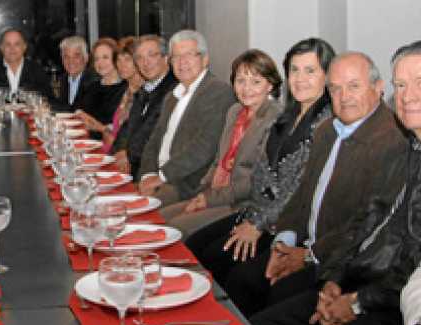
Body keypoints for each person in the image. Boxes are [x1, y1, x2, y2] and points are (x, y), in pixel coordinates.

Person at [249, 52, 410, 325]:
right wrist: (287, 245)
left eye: (353, 86)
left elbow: (373, 234)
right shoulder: (326, 131)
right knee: (255, 319)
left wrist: (341, 288)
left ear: (379, 88)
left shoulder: (393, 142)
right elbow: (304, 198)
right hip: (342, 270)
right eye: (335, 89)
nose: (343, 96)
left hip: (377, 291)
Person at [187, 38, 334, 289]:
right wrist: (252, 216)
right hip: (257, 211)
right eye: (295, 70)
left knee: (227, 268)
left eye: (310, 71)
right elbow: (260, 172)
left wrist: (257, 224)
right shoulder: (287, 117)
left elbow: (298, 189)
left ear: (327, 76)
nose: (300, 79)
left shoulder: (325, 124)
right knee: (196, 245)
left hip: (285, 223)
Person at [156, 49, 282, 236]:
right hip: (216, 191)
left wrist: (209, 199)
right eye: (240, 81)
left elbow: (255, 180)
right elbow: (218, 160)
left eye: (256, 82)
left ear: (270, 85)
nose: (246, 89)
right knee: (159, 217)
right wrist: (202, 193)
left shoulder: (275, 118)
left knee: (176, 227)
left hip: (242, 203)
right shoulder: (234, 111)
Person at [138, 30, 237, 205]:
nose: (182, 62)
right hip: (161, 177)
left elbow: (205, 146)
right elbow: (154, 141)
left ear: (205, 59)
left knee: (139, 210)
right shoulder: (171, 97)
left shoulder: (218, 92)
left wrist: (162, 176)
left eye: (189, 55)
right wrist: (147, 174)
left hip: (187, 183)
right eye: (176, 56)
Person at [112, 34, 177, 177]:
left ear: (166, 58)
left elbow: (154, 131)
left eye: (151, 55)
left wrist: (128, 155)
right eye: (139, 58)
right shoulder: (144, 89)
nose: (145, 63)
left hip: (153, 170)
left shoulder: (174, 90)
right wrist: (119, 150)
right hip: (131, 164)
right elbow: (127, 127)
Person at [77, 36, 141, 154]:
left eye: (127, 59)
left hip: (114, 151)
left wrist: (99, 127)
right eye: (119, 60)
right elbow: (116, 127)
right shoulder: (127, 91)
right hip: (101, 146)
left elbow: (128, 135)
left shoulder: (134, 91)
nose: (122, 64)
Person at [0, 28, 54, 100]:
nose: (12, 49)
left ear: (24, 47)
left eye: (17, 44)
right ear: (1, 47)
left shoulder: (36, 69)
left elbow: (49, 98)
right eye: (8, 44)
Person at [77, 38, 128, 131]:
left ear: (116, 59)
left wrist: (95, 125)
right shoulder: (91, 87)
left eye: (105, 57)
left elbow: (120, 128)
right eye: (96, 59)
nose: (100, 63)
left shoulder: (126, 89)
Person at [54, 35, 97, 112]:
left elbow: (83, 111)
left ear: (86, 58)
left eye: (76, 56)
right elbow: (62, 106)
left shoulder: (93, 81)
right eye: (66, 57)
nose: (71, 61)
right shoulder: (63, 79)